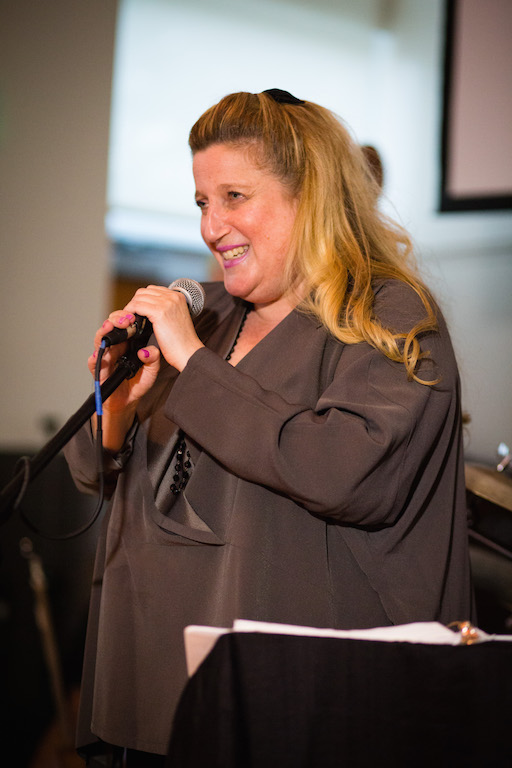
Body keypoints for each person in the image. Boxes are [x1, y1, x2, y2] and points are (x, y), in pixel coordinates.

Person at [65, 89, 473, 766]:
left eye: (234, 197)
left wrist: (193, 363)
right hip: (150, 681)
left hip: (303, 705)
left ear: (310, 196)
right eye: (202, 202)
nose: (210, 226)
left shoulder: (387, 316)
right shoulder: (206, 316)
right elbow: (95, 473)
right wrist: (122, 408)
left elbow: (344, 475)